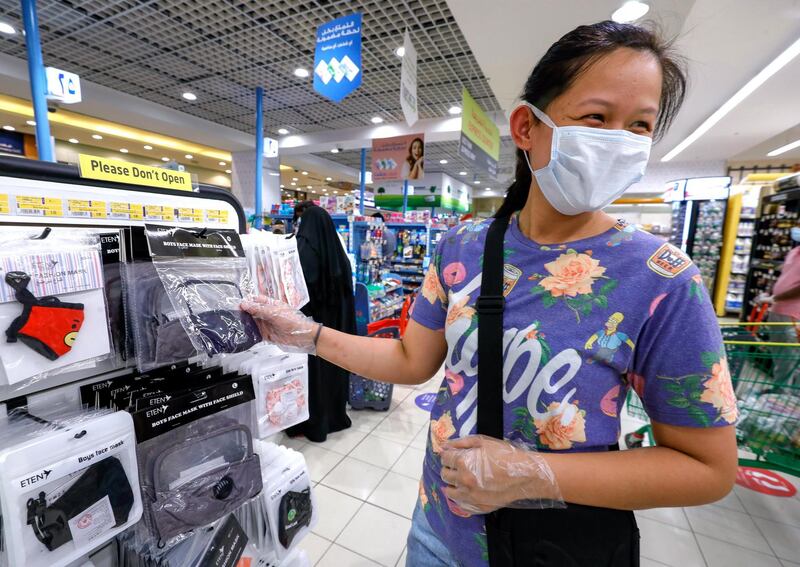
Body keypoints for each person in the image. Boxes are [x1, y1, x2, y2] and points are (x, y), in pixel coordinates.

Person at [243, 21, 737, 567]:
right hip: (438, 527)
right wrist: (307, 335)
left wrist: (532, 474)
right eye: (596, 117)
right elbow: (411, 360)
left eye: (639, 126)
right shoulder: (462, 245)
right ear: (527, 126)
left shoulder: (663, 278)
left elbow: (707, 468)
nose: (618, 140)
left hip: (553, 546)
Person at [285, 205, 356, 442]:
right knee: (333, 374)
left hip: (313, 330)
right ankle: (336, 416)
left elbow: (300, 295)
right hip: (338, 329)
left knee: (313, 377)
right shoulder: (339, 254)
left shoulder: (303, 252)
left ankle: (314, 424)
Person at [757, 223, 800, 385]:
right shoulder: (794, 252)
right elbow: (784, 276)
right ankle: (780, 391)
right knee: (780, 354)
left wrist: (775, 298)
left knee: (789, 356)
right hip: (778, 311)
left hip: (793, 315)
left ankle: (784, 393)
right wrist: (769, 294)